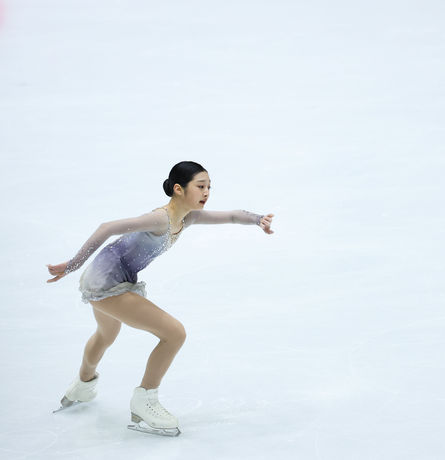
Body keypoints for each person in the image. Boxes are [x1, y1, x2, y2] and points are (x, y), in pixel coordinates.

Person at [46, 161, 275, 436]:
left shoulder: (188, 217)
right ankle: (145, 400)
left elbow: (232, 216)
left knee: (106, 335)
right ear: (178, 189)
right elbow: (107, 227)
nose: (207, 192)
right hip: (106, 281)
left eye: (209, 187)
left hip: (113, 277)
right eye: (200, 186)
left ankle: (82, 386)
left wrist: (257, 218)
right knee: (174, 333)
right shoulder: (160, 219)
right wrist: (72, 265)